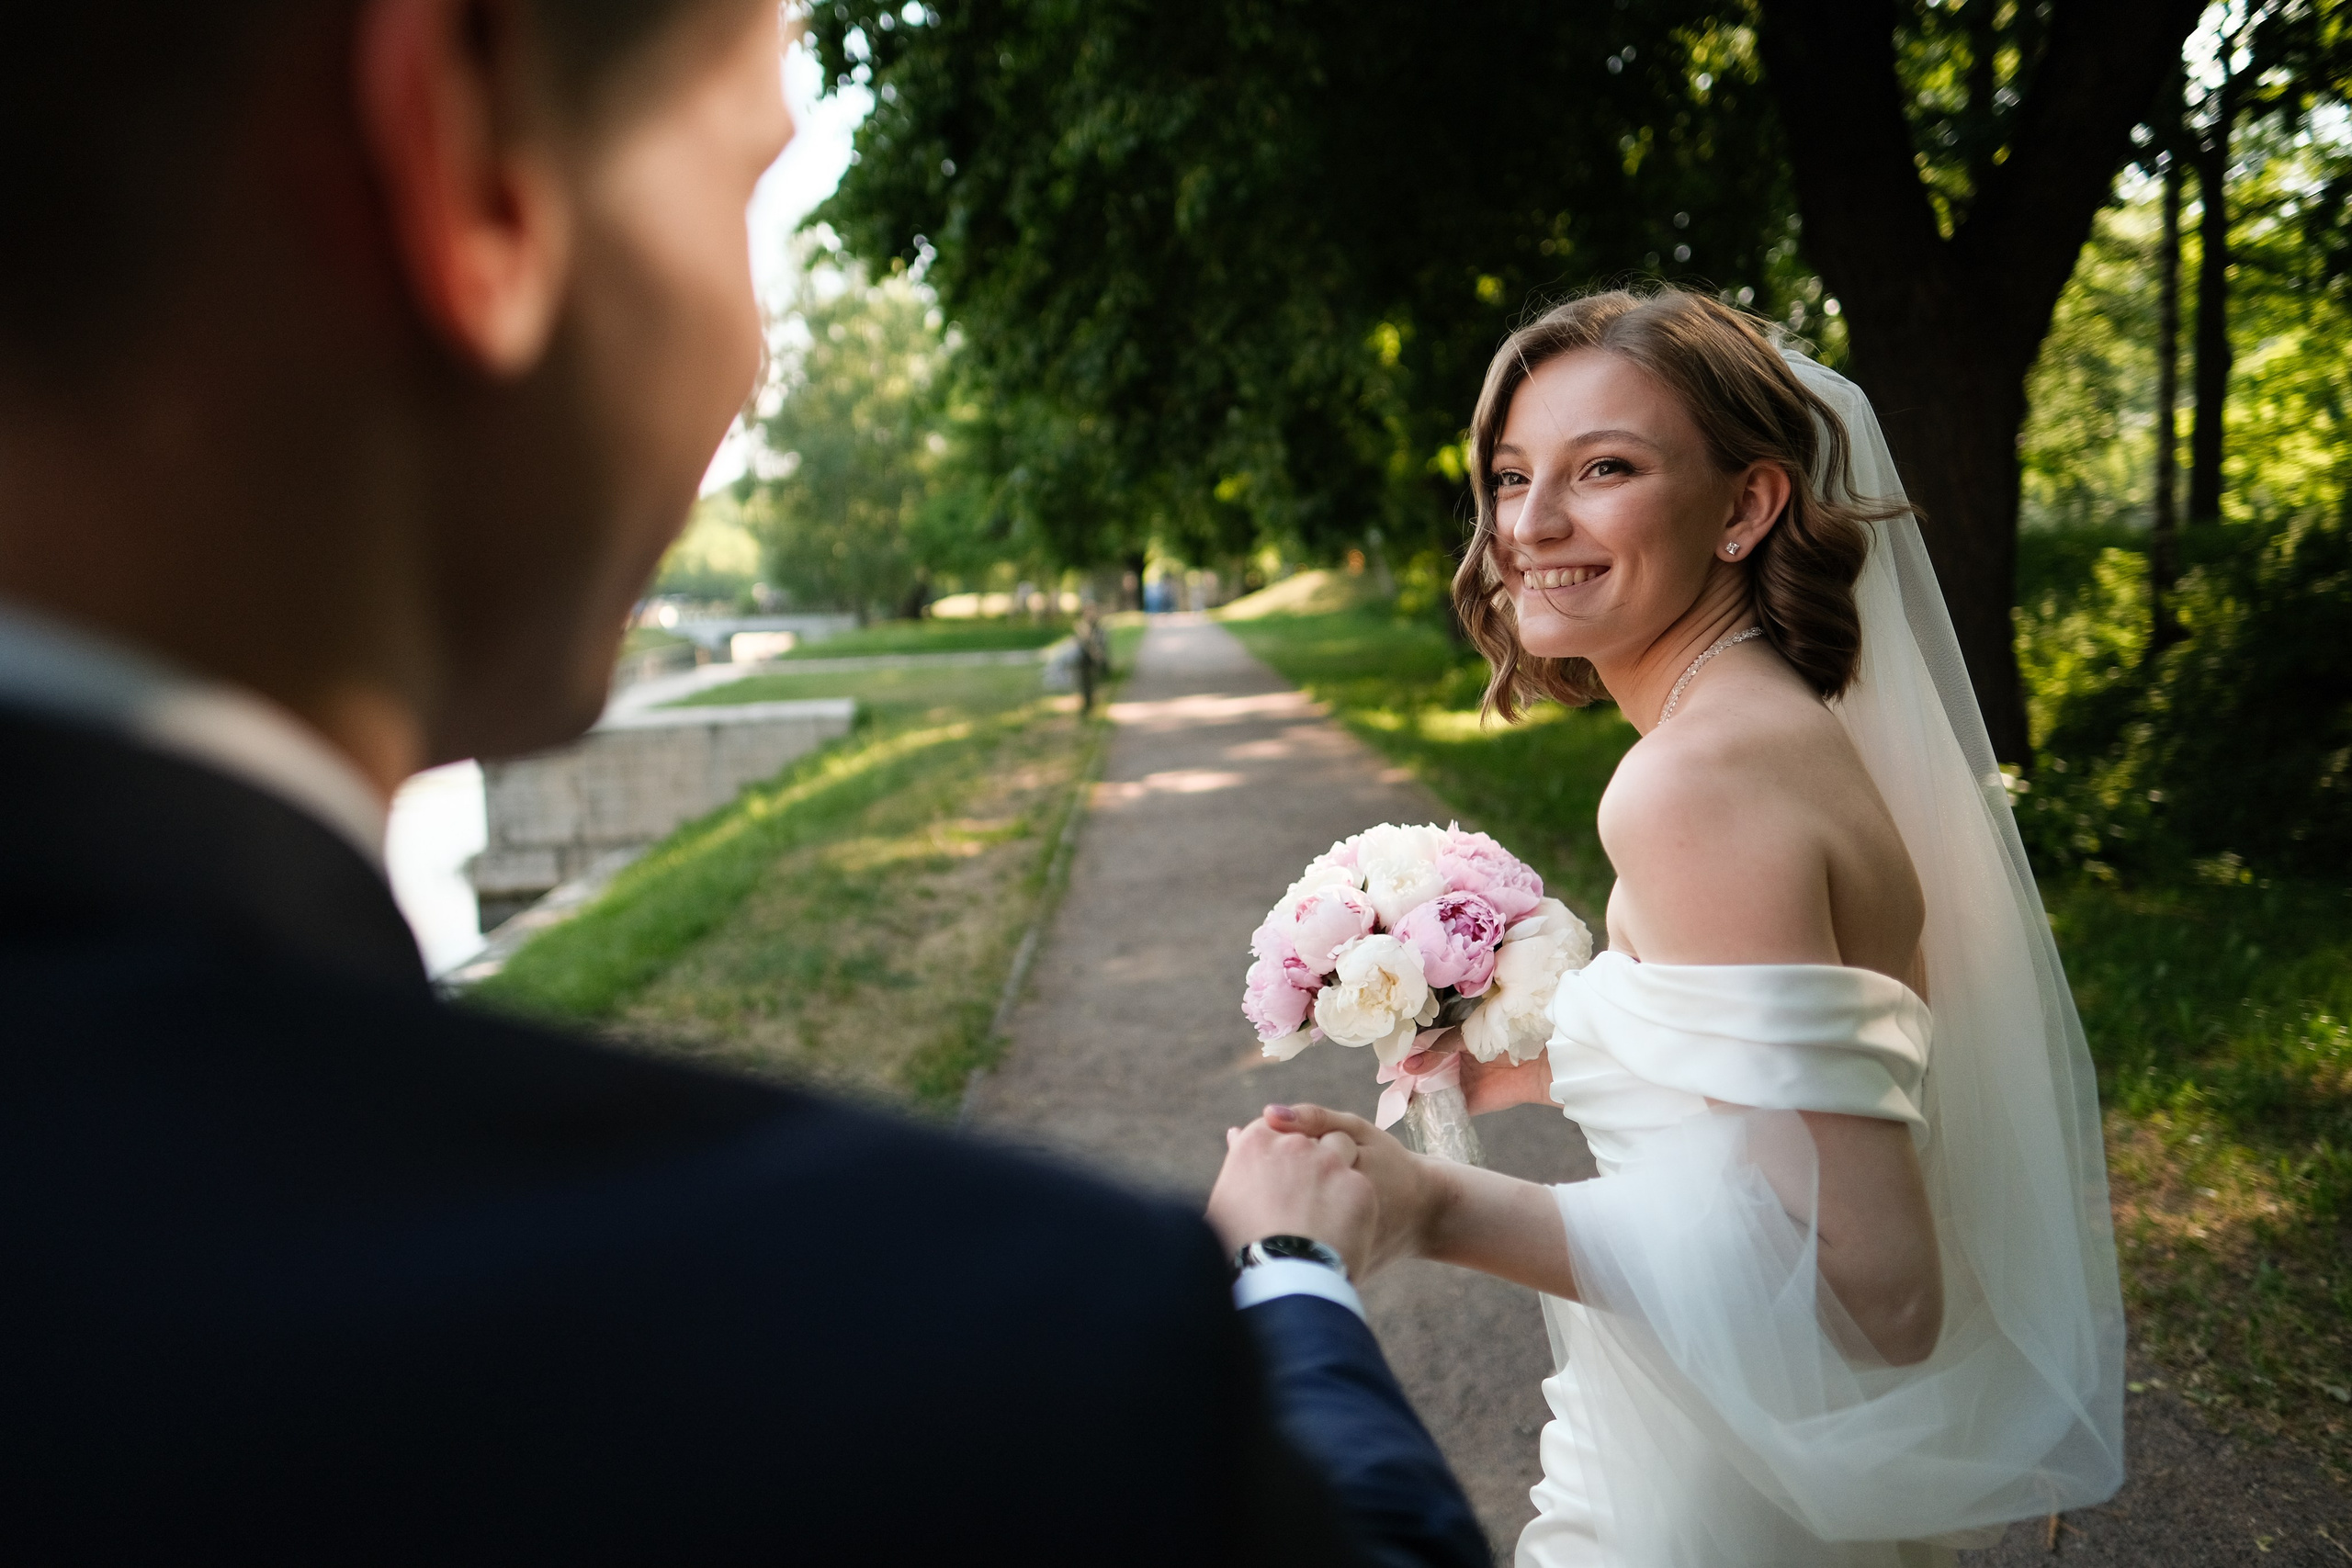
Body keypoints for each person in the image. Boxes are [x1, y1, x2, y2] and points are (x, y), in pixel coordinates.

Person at [0, 5, 1485, 1564]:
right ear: (467, 156)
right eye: (744, 177)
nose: (753, 351)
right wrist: (1294, 1282)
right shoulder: (991, 1372)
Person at [1254, 291, 2126, 1565]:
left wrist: (1430, 1206)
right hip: (1716, 1445)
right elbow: (1810, 1119)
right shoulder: (1773, 729)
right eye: (1510, 475)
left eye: (1604, 467)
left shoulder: (1693, 783)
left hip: (1709, 1502)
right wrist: (1541, 1066)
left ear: (1744, 506)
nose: (1531, 523)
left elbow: (1874, 1291)